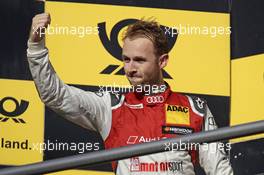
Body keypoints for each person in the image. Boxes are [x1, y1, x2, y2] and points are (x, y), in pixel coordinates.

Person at [27, 13, 233, 175]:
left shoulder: (194, 107)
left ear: (162, 61)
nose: (130, 68)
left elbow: (219, 168)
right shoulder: (111, 107)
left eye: (139, 60)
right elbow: (56, 96)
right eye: (126, 59)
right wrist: (36, 48)